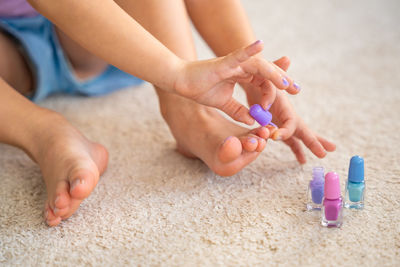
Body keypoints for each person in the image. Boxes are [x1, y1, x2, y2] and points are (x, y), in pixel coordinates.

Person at [0, 0, 335, 226]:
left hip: (121, 36)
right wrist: (178, 74)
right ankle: (44, 132)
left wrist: (252, 71)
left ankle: (188, 112)